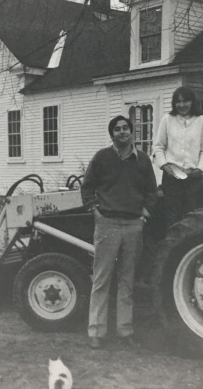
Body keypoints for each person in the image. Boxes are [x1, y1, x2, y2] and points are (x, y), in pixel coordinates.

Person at [81, 115, 158, 350]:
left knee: (127, 280)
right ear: (112, 134)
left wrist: (144, 214)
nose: (122, 132)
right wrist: (96, 212)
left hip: (133, 225)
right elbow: (87, 187)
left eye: (125, 128)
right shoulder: (102, 158)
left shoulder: (143, 160)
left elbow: (152, 192)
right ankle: (96, 332)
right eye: (117, 129)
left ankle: (125, 331)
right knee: (101, 278)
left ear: (131, 132)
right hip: (107, 224)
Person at [153, 86, 203, 227]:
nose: (182, 105)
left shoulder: (201, 120)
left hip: (193, 178)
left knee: (193, 215)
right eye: (178, 102)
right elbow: (158, 147)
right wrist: (164, 166)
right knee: (172, 216)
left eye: (186, 101)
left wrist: (200, 168)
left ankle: (190, 247)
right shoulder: (167, 119)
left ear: (192, 102)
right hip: (172, 178)